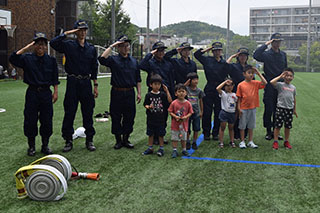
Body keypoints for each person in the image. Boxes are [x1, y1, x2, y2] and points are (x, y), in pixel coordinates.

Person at [50, 20, 98, 152]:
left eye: (84, 30)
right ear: (76, 31)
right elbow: (53, 43)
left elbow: (94, 67)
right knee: (69, 111)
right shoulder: (69, 45)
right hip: (72, 81)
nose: (82, 32)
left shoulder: (91, 49)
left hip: (86, 82)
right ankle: (68, 140)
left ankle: (89, 140)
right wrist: (67, 33)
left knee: (88, 112)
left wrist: (95, 85)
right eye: (79, 30)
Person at [9, 32, 59, 156]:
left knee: (47, 120)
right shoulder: (27, 58)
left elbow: (55, 77)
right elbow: (13, 58)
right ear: (34, 45)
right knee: (30, 120)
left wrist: (56, 92)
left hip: (46, 93)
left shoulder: (51, 60)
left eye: (43, 44)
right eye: (37, 44)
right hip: (32, 93)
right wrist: (27, 47)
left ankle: (45, 145)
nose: (40, 46)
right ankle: (31, 147)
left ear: (46, 46)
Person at [98, 35, 142, 149]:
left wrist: (139, 93)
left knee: (129, 116)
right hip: (117, 92)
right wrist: (112, 45)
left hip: (130, 92)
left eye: (126, 45)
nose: (125, 48)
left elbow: (138, 78)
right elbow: (101, 59)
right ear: (118, 48)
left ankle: (126, 139)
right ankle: (118, 140)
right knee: (116, 116)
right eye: (122, 46)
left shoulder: (134, 61)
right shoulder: (113, 60)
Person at [139, 41, 175, 144]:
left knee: (163, 116)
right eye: (158, 50)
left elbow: (171, 79)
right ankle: (153, 137)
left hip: (166, 92)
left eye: (162, 50)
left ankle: (160, 135)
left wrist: (172, 93)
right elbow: (141, 65)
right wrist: (150, 53)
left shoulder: (168, 63)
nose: (161, 53)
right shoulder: (150, 63)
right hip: (153, 93)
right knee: (153, 114)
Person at [253, 32, 287, 141]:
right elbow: (256, 55)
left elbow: (285, 69)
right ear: (272, 42)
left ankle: (276, 131)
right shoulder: (266, 54)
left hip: (280, 85)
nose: (277, 43)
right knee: (269, 108)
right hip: (269, 84)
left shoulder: (283, 55)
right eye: (275, 41)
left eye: (279, 41)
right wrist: (265, 44)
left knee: (279, 109)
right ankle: (268, 131)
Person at [194, 42, 229, 141]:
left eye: (219, 50)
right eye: (215, 50)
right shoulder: (207, 60)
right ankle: (206, 133)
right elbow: (196, 54)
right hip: (209, 87)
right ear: (212, 51)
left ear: (221, 51)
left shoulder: (224, 63)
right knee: (207, 112)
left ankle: (215, 133)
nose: (217, 52)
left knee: (218, 112)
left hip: (220, 89)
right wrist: (207, 49)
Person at [236, 65, 267, 149]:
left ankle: (250, 141)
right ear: (244, 74)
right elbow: (238, 98)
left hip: (252, 108)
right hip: (243, 108)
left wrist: (258, 73)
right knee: (242, 125)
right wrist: (238, 108)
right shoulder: (240, 85)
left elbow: (265, 83)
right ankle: (242, 141)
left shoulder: (255, 83)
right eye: (249, 73)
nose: (251, 75)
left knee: (251, 125)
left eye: (252, 73)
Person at [142, 74, 172, 157]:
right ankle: (150, 147)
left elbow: (170, 101)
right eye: (155, 84)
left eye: (159, 84)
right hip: (151, 118)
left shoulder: (162, 94)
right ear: (151, 85)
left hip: (160, 118)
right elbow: (145, 104)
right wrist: (149, 107)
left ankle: (161, 148)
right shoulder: (148, 95)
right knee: (150, 134)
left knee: (161, 134)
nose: (157, 86)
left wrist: (167, 91)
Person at [270, 68, 297, 150]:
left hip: (289, 109)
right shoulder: (280, 85)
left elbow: (294, 99)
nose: (289, 77)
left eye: (291, 76)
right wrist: (281, 76)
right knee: (278, 126)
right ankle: (275, 141)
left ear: (293, 77)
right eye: (287, 75)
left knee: (288, 126)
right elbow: (272, 82)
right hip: (281, 108)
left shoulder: (293, 87)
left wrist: (294, 110)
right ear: (284, 76)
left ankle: (286, 141)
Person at [227, 47, 248, 139]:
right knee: (235, 113)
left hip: (247, 93)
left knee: (245, 113)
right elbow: (225, 65)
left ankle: (244, 133)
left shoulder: (248, 67)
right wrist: (232, 56)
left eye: (244, 55)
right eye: (241, 55)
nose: (243, 57)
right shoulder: (234, 66)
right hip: (236, 92)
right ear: (237, 56)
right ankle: (235, 133)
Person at [168, 84, 194, 158]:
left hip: (184, 125)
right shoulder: (174, 103)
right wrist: (175, 116)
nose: (181, 93)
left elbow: (191, 112)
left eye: (183, 91)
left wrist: (186, 117)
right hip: (175, 125)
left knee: (183, 138)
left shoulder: (188, 103)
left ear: (186, 93)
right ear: (176, 93)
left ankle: (184, 149)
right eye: (179, 91)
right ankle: (175, 150)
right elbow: (170, 111)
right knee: (175, 138)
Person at [184, 72, 205, 150]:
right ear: (189, 81)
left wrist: (201, 111)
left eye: (197, 79)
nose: (196, 81)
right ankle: (188, 141)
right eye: (193, 80)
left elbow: (201, 101)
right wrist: (186, 84)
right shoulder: (186, 89)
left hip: (196, 112)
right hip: (187, 112)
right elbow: (180, 88)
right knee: (187, 128)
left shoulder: (199, 91)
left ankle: (194, 142)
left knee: (196, 128)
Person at [216, 78, 238, 148]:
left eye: (231, 85)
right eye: (227, 85)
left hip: (232, 113)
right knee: (222, 127)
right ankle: (221, 142)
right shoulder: (223, 94)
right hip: (224, 112)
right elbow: (217, 88)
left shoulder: (235, 95)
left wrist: (237, 112)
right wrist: (225, 81)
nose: (229, 87)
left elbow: (237, 104)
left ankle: (232, 141)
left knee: (231, 128)